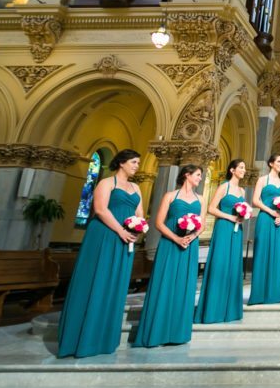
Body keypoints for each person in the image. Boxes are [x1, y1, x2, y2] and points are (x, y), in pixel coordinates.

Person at [57, 149, 143, 358]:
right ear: (121, 163)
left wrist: (137, 229)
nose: (136, 166)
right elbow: (101, 209)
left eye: (138, 163)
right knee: (96, 279)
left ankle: (104, 337)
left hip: (126, 238)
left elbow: (140, 213)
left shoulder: (136, 187)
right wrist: (121, 230)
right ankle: (82, 338)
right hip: (105, 234)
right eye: (133, 162)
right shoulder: (107, 183)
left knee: (115, 284)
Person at [133, 164, 203, 348]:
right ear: (187, 175)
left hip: (189, 245)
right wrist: (176, 238)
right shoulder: (170, 196)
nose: (200, 178)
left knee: (184, 286)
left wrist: (192, 236)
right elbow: (158, 222)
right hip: (170, 244)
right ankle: (156, 331)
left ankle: (177, 332)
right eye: (197, 175)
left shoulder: (201, 199)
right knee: (164, 283)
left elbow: (201, 224)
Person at [194, 159, 248, 324]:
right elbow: (211, 208)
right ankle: (213, 309)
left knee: (233, 267)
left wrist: (242, 216)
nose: (244, 170)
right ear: (232, 170)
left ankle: (229, 309)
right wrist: (230, 217)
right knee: (220, 264)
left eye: (244, 168)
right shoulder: (224, 187)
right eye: (241, 167)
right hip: (224, 228)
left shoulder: (242, 191)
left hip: (237, 231)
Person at [248, 154, 280, 305]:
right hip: (265, 219)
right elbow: (255, 200)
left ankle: (276, 293)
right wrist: (270, 212)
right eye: (278, 161)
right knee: (262, 253)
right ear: (271, 163)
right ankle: (260, 295)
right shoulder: (262, 180)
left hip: (279, 222)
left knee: (278, 255)